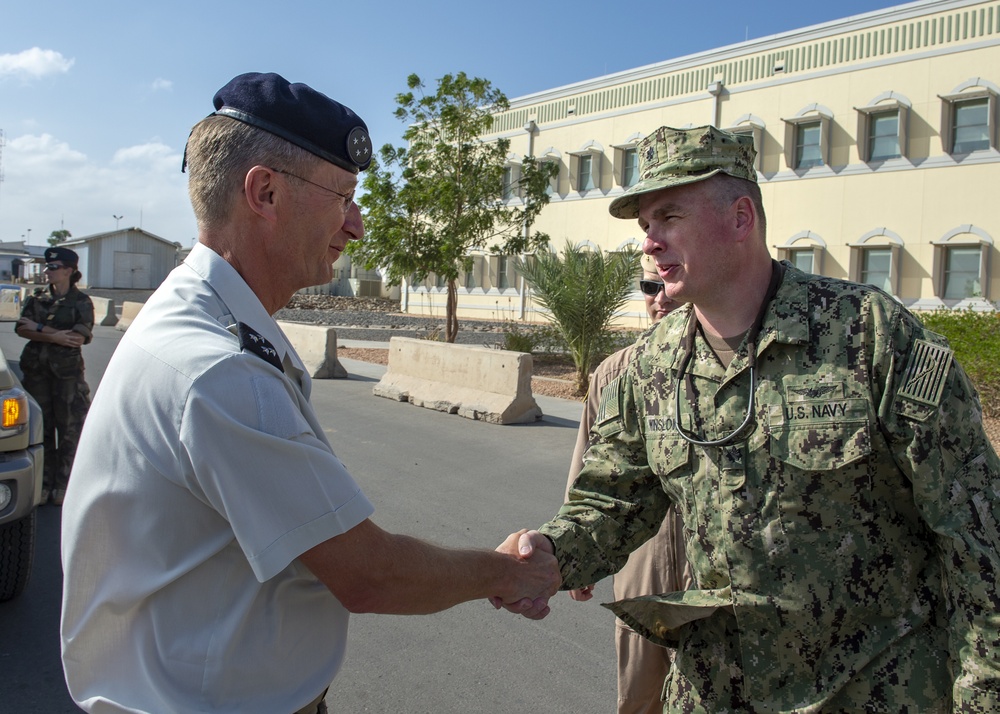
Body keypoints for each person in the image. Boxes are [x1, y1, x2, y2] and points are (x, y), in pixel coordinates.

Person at [59, 72, 560, 714]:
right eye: (343, 197)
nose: (355, 226)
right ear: (264, 192)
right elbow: (368, 572)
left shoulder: (213, 324)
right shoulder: (214, 369)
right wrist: (510, 573)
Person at [499, 125, 1000, 711]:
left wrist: (981, 697)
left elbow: (977, 538)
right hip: (712, 693)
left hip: (868, 692)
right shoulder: (651, 368)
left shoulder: (870, 337)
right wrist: (550, 555)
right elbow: (613, 501)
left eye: (669, 217)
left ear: (742, 219)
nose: (649, 243)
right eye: (645, 227)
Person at [564, 253, 690, 714]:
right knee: (640, 697)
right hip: (643, 565)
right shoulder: (614, 373)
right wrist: (576, 555)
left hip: (712, 569)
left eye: (666, 285)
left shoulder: (734, 368)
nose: (659, 298)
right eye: (647, 287)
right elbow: (587, 471)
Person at [14, 246, 93, 506]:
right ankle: (44, 484)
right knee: (41, 430)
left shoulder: (81, 302)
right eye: (48, 267)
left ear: (69, 271)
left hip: (67, 378)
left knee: (69, 430)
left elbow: (77, 338)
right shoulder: (36, 298)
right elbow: (22, 329)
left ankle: (64, 485)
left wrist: (41, 329)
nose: (47, 271)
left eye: (53, 267)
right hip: (37, 374)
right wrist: (53, 334)